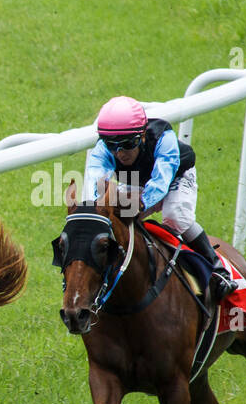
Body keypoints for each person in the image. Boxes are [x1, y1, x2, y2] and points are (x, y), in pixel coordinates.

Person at [84, 96, 234, 300]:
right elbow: (95, 182)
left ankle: (217, 268)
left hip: (175, 176)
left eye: (128, 144)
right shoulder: (103, 149)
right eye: (112, 145)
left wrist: (142, 203)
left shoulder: (164, 138)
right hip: (136, 179)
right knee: (117, 218)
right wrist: (97, 207)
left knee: (175, 217)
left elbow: (161, 181)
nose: (120, 153)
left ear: (143, 136)